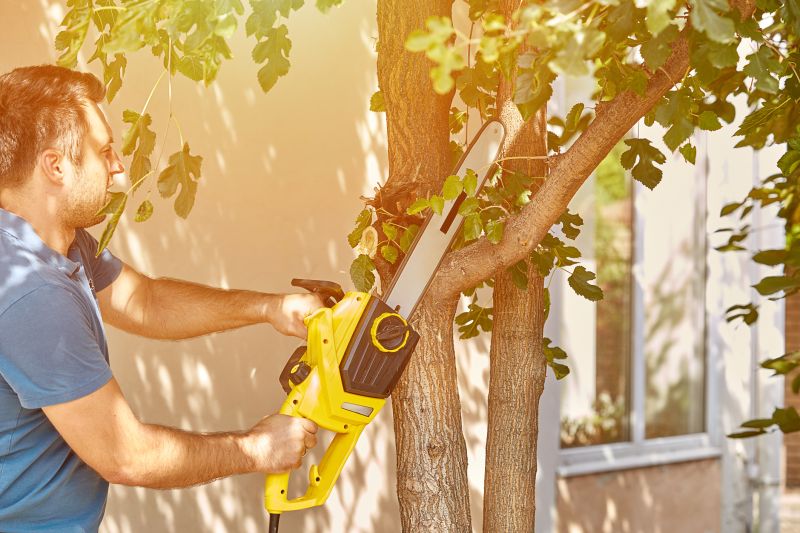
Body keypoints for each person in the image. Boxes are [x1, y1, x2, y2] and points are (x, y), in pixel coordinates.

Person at [0, 65, 322, 532]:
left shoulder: (54, 242)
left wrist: (268, 307)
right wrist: (255, 449)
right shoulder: (32, 293)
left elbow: (145, 300)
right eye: (104, 151)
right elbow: (125, 455)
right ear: (56, 166)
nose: (118, 169)